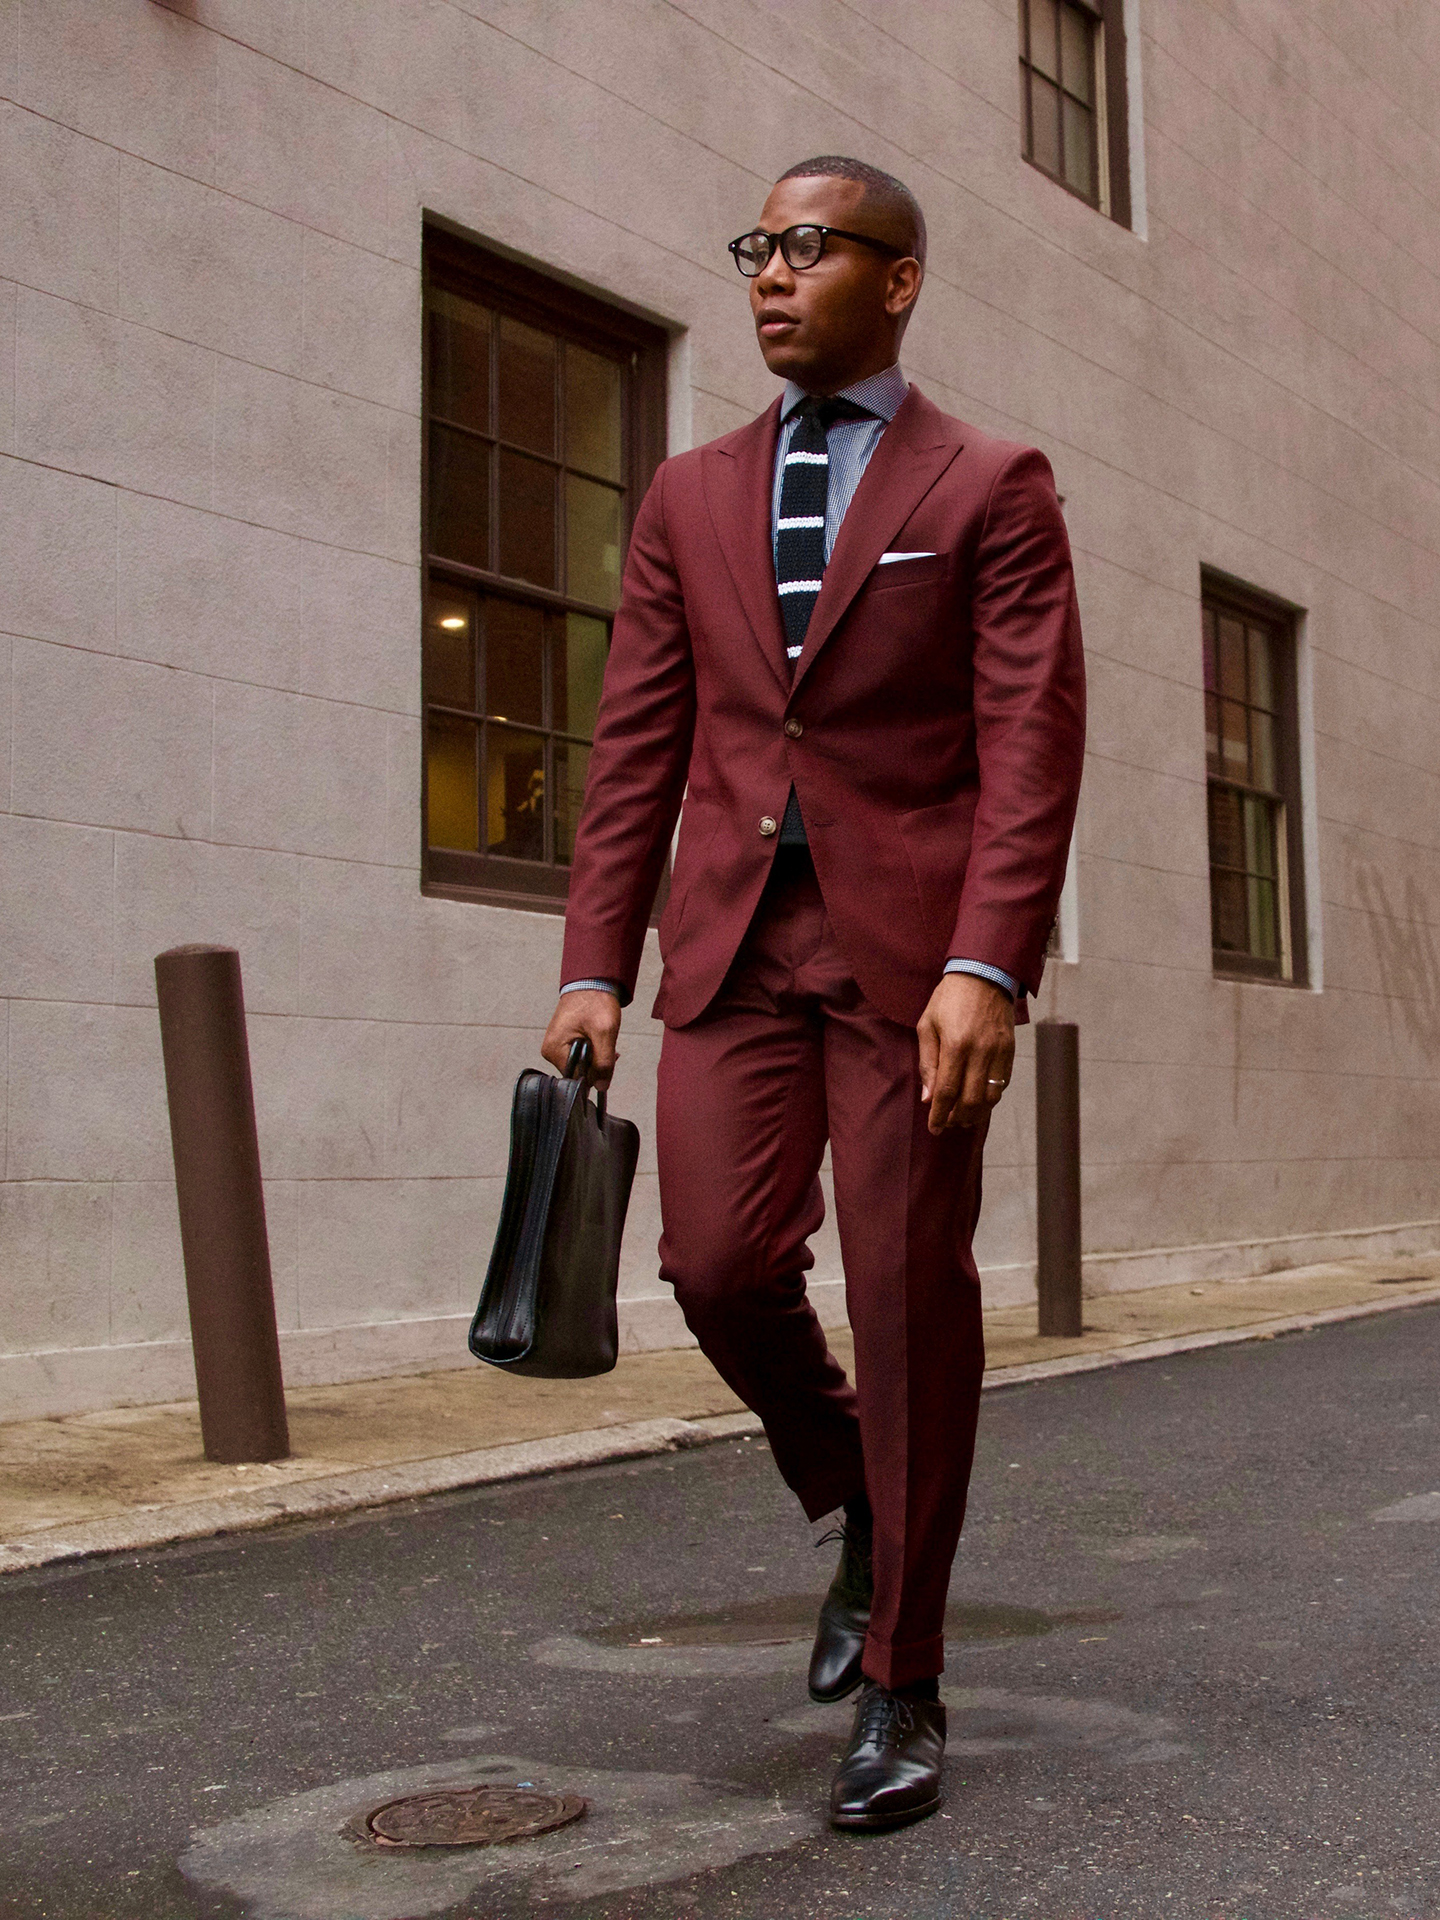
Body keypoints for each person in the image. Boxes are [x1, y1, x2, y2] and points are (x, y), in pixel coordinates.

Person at [541, 154, 1085, 1830]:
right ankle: (856, 1484)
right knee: (711, 1260)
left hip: (913, 966)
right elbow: (637, 747)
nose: (771, 274)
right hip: (730, 947)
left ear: (897, 279)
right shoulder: (687, 496)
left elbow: (1031, 745)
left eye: (808, 246)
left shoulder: (989, 483)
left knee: (909, 1292)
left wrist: (989, 963)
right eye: (756, 248)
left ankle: (906, 1678)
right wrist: (589, 965)